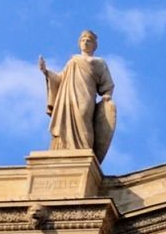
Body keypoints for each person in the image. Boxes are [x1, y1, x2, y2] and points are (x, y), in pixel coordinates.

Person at [39, 30, 116, 160]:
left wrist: (107, 96)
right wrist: (46, 72)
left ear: (94, 45)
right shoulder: (73, 61)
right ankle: (65, 149)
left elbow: (108, 83)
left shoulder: (99, 62)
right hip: (68, 97)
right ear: (79, 43)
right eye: (83, 40)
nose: (85, 42)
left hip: (85, 97)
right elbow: (60, 78)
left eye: (89, 41)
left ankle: (85, 150)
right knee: (66, 121)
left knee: (84, 118)